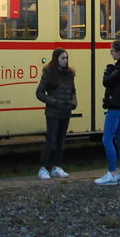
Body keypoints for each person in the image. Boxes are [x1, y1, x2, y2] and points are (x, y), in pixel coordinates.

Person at [95, 39, 120, 185]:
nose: (111, 53)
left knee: (107, 139)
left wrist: (107, 72)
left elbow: (106, 81)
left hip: (116, 108)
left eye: (112, 50)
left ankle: (111, 173)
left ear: (119, 52)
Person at [35, 48, 78, 179]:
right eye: (62, 58)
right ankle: (43, 168)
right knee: (51, 140)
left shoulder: (69, 74)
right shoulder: (49, 73)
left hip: (65, 111)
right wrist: (54, 102)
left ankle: (56, 166)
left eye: (66, 58)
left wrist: (74, 102)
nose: (65, 61)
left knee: (60, 140)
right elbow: (39, 93)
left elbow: (73, 90)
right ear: (56, 59)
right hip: (53, 112)